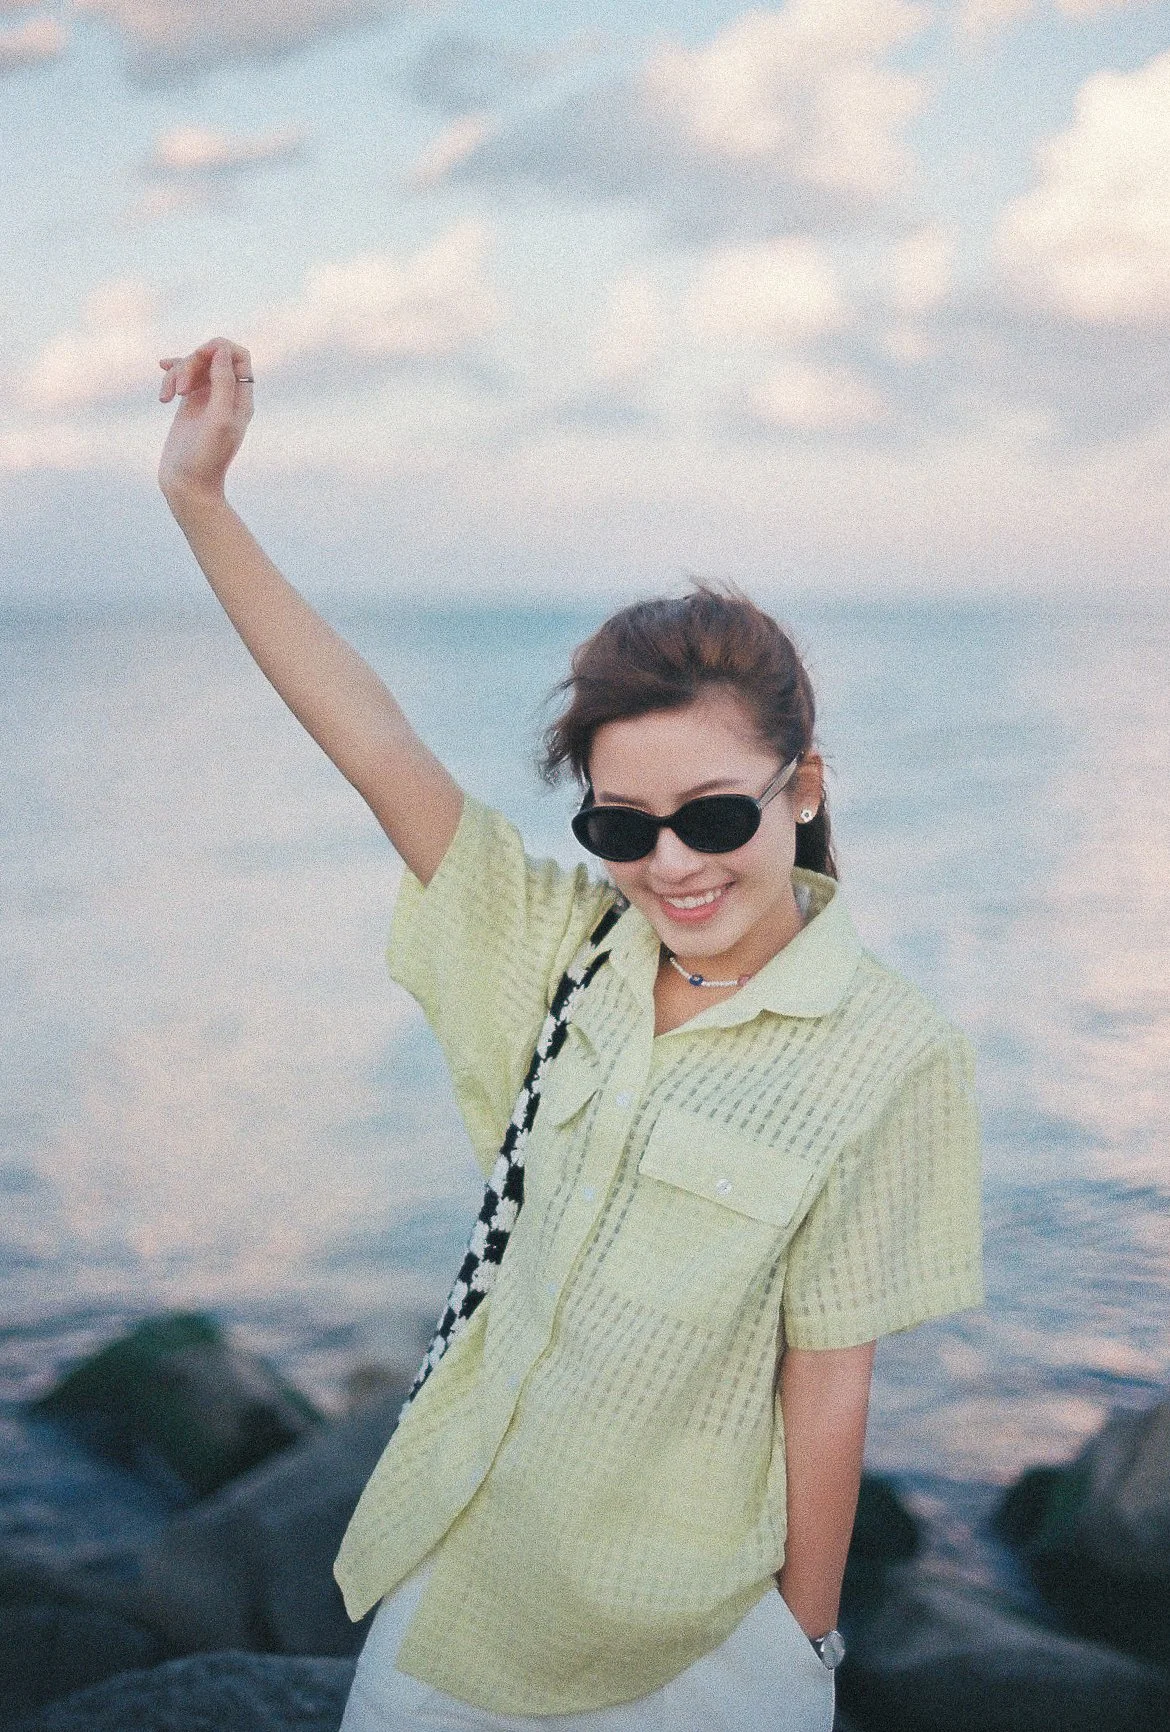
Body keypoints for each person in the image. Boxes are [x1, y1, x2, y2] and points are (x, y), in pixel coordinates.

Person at [158, 337, 984, 1732]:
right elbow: (371, 737)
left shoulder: (892, 1052)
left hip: (695, 1643)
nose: (674, 865)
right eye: (622, 827)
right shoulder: (559, 951)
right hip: (462, 1584)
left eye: (714, 814)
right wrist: (200, 499)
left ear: (803, 788)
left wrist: (803, 1645)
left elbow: (829, 1377)